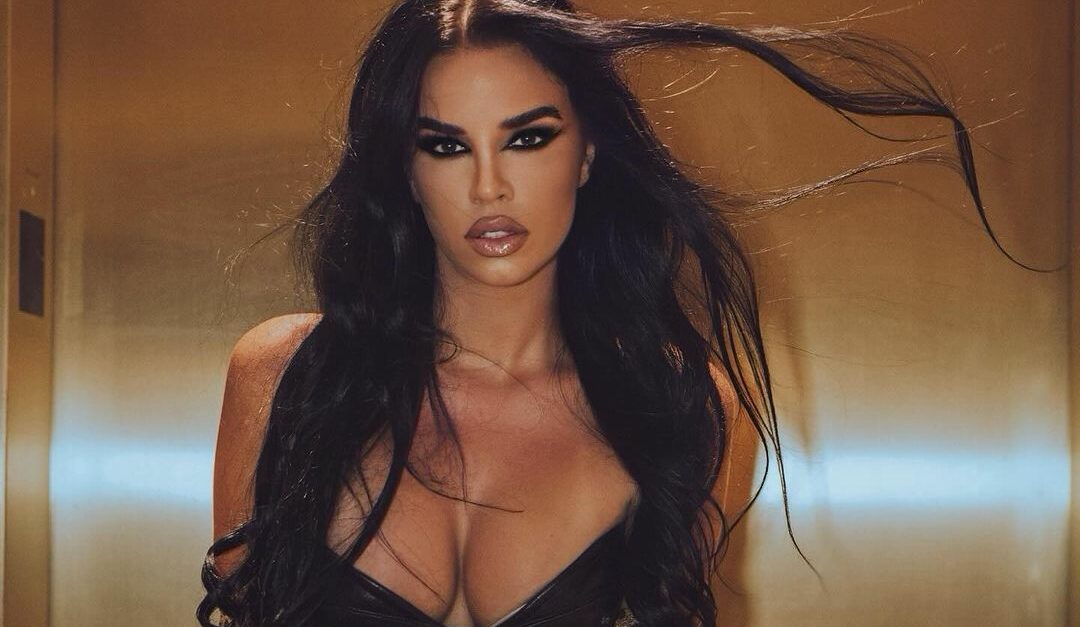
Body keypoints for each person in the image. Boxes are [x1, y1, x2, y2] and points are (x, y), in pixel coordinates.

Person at [197, 1, 1016, 626]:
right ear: (406, 171)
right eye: (445, 145)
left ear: (587, 151)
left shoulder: (677, 408)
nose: (488, 185)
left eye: (527, 138)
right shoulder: (285, 376)